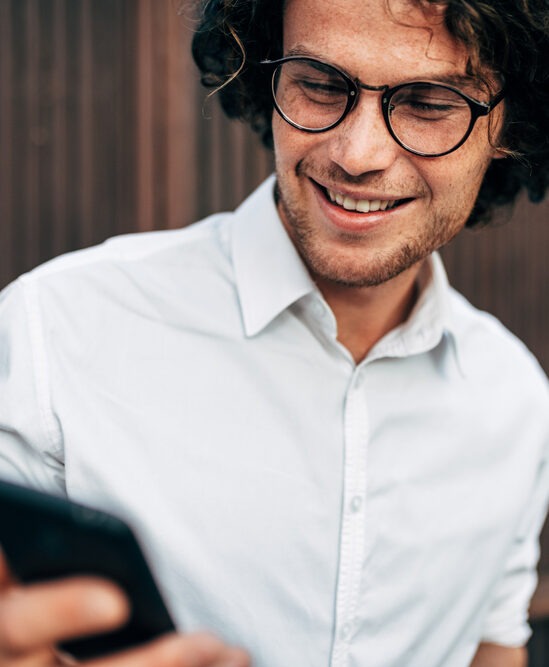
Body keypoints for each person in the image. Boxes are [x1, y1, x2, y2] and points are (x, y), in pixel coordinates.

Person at [0, 0, 548, 665]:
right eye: (319, 84)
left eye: (428, 102)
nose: (357, 154)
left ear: (511, 125)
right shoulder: (52, 329)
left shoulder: (515, 399)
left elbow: (492, 647)